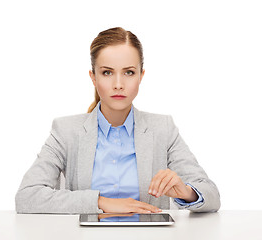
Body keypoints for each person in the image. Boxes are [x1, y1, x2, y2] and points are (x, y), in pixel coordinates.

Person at [15, 27, 220, 214]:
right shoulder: (66, 130)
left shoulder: (163, 129)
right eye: (107, 72)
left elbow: (211, 194)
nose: (118, 84)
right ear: (93, 77)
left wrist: (186, 192)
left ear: (141, 76)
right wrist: (102, 202)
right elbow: (27, 196)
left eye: (129, 72)